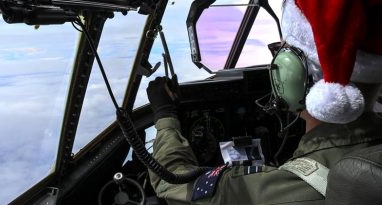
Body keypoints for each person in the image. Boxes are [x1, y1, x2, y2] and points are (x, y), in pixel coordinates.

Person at [146, 0, 382, 204]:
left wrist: (165, 115)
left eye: (282, 50)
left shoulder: (266, 193)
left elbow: (171, 181)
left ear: (298, 73)